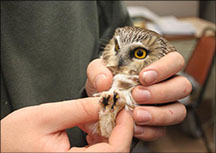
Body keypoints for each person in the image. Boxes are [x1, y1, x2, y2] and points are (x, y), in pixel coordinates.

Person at [1, 1, 192, 152]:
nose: (120, 60)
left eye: (139, 54)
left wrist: (154, 99)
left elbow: (122, 33)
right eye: (116, 49)